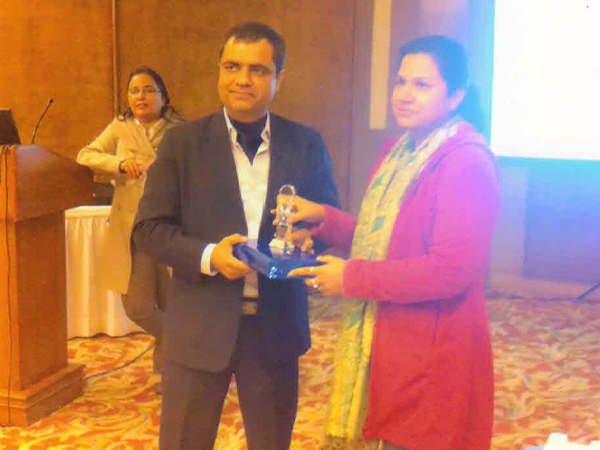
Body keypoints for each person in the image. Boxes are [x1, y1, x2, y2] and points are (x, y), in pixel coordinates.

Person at [130, 23, 339, 450]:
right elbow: (148, 229)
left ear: (279, 77)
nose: (243, 79)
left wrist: (309, 239)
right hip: (199, 325)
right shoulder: (182, 144)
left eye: (258, 70)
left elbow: (325, 221)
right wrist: (209, 256)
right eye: (232, 66)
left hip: (274, 328)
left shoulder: (306, 144)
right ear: (219, 71)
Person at [287, 35, 499, 450]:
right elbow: (389, 242)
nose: (404, 94)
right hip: (394, 337)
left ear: (455, 96)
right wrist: (326, 220)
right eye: (401, 81)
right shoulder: (403, 152)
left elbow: (450, 270)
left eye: (422, 85)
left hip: (434, 348)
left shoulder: (464, 161)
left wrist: (352, 279)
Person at [76, 67, 184, 389]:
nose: (141, 97)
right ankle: (184, 342)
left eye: (149, 90)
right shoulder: (120, 128)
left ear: (163, 97)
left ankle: (168, 374)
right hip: (132, 229)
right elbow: (85, 155)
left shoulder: (180, 131)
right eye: (134, 91)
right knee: (137, 306)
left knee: (169, 302)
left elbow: (198, 171)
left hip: (169, 226)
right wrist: (120, 164)